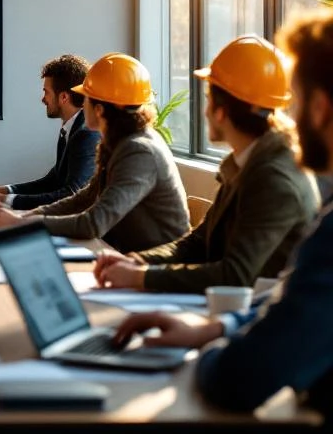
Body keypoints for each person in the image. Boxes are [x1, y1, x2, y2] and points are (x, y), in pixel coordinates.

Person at [110, 11, 333, 434]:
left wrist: (203, 353)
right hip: (290, 396)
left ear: (318, 108)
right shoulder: (246, 166)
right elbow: (205, 244)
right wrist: (213, 326)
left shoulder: (284, 183)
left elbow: (240, 378)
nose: (288, 116)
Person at [95, 36, 318, 292]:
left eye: (208, 100)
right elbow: (196, 243)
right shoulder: (246, 161)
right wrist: (136, 262)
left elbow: (235, 275)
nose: (205, 111)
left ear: (221, 111)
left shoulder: (274, 178)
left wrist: (141, 278)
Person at [0, 53, 189, 253]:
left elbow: (94, 223)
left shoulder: (139, 150)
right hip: (124, 257)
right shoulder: (120, 142)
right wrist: (24, 217)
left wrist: (24, 224)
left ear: (99, 110)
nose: (82, 105)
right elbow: (83, 199)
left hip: (152, 267)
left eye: (86, 99)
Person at [0, 54, 99, 209]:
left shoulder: (86, 134)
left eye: (46, 92)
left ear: (64, 97)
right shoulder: (71, 128)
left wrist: (3, 200)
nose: (42, 99)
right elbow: (52, 181)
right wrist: (3, 191)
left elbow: (71, 194)